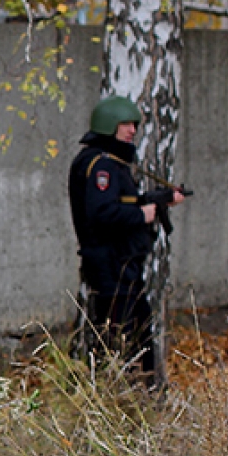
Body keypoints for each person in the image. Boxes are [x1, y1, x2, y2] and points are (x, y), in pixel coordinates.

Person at [67, 94, 185, 375]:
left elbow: (120, 203)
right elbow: (101, 213)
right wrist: (141, 215)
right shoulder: (102, 165)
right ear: (110, 125)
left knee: (137, 332)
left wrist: (159, 199)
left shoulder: (106, 161)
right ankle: (125, 394)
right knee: (122, 336)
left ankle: (139, 391)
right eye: (126, 124)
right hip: (112, 267)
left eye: (134, 125)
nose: (133, 130)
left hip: (120, 265)